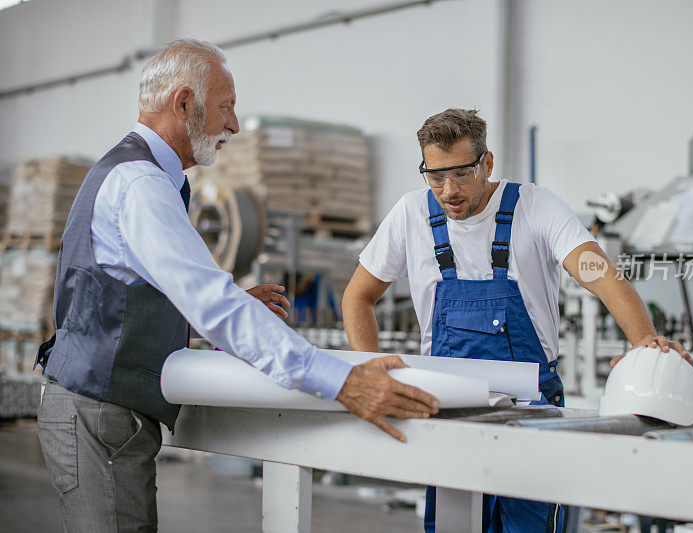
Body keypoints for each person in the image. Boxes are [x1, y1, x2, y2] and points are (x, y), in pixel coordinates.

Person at [36, 39, 438, 532]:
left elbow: (125, 293)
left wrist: (210, 308)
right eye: (226, 107)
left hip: (98, 416)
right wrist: (342, 381)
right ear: (184, 104)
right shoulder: (140, 185)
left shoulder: (135, 175)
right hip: (98, 418)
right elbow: (213, 303)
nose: (234, 125)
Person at [342, 108, 691, 533]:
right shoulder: (410, 214)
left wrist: (642, 338)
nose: (448, 190)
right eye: (435, 176)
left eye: (462, 174)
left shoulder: (535, 207)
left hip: (531, 413)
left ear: (487, 164)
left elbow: (599, 274)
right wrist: (371, 370)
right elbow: (358, 297)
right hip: (447, 412)